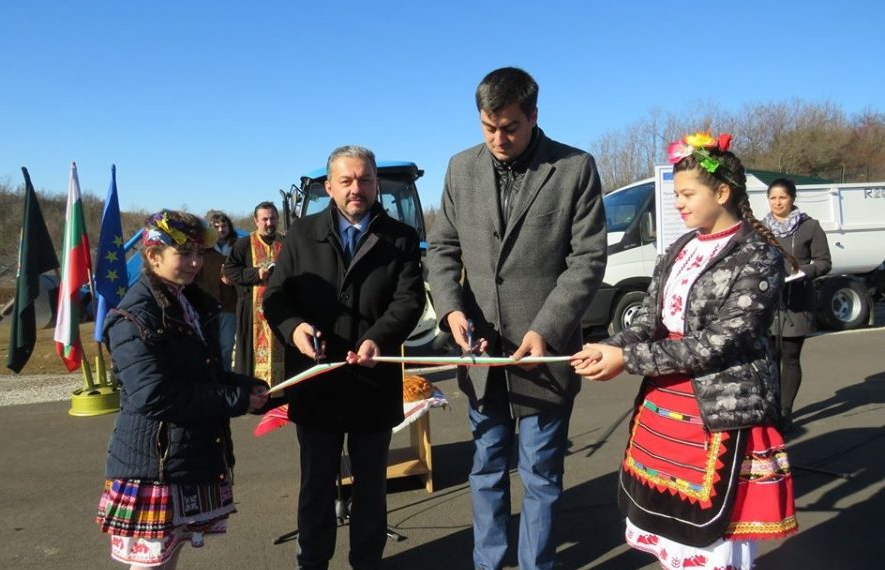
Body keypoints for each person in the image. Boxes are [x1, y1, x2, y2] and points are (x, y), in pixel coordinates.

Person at [571, 132, 798, 569]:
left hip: (718, 409)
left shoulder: (757, 256)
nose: (677, 203)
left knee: (714, 539)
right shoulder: (680, 247)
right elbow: (649, 322)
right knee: (670, 531)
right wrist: (607, 347)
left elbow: (718, 344)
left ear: (723, 192)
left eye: (687, 194)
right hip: (665, 402)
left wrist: (628, 360)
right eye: (676, 194)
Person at [426, 67, 607, 570]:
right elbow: (441, 250)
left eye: (509, 127)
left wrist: (546, 328)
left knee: (542, 474)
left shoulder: (574, 167)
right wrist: (451, 310)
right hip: (480, 357)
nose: (498, 139)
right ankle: (489, 564)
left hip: (544, 356)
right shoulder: (461, 168)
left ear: (533, 115)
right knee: (484, 469)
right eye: (488, 128)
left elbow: (588, 259)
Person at [263, 145, 425, 570]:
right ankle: (312, 563)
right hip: (316, 384)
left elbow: (408, 301)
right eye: (347, 181)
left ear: (376, 184)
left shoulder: (401, 237)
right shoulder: (300, 235)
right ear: (330, 186)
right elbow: (276, 297)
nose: (357, 189)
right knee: (316, 486)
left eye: (365, 180)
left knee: (372, 488)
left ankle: (366, 562)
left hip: (373, 383)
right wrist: (294, 327)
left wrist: (378, 337)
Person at [95, 210, 268, 569]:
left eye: (198, 253)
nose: (193, 262)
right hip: (152, 465)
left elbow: (203, 372)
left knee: (168, 558)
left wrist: (244, 385)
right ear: (153, 256)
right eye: (183, 253)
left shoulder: (187, 301)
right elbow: (154, 395)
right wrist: (236, 399)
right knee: (152, 563)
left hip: (180, 458)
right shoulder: (133, 317)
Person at [763, 178, 831, 432]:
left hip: (798, 300)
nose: (777, 202)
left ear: (792, 198)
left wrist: (801, 272)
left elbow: (824, 262)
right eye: (773, 198)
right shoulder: (760, 228)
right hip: (769, 302)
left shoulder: (809, 227)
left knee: (790, 357)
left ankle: (785, 410)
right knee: (769, 357)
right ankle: (770, 406)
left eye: (782, 197)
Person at [223, 201, 286, 386]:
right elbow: (229, 270)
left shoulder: (284, 242)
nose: (269, 223)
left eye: (272, 218)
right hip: (252, 310)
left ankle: (279, 392)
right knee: (250, 355)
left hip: (281, 307)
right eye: (264, 219)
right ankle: (253, 393)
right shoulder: (244, 244)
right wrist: (255, 274)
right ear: (256, 221)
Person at [195, 210, 239, 371]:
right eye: (216, 226)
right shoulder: (203, 250)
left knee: (227, 346)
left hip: (230, 304)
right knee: (208, 345)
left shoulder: (238, 246)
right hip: (207, 305)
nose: (221, 230)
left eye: (224, 225)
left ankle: (226, 377)